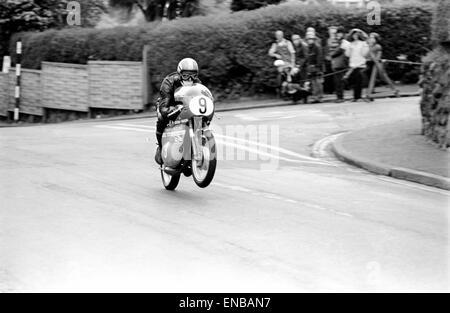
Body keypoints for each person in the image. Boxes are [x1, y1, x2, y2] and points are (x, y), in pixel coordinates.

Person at [154, 58, 201, 165]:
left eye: (193, 75)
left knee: (198, 118)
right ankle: (161, 148)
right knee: (162, 118)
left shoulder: (197, 83)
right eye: (186, 75)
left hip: (187, 106)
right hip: (169, 105)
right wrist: (171, 109)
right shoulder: (168, 82)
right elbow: (164, 107)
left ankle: (193, 147)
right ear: (180, 74)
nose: (190, 79)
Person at [365, 32, 399, 100]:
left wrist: (372, 56)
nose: (371, 39)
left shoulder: (378, 46)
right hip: (371, 64)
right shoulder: (369, 46)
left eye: (372, 38)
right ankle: (370, 94)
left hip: (377, 64)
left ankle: (395, 90)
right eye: (370, 37)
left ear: (376, 39)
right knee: (372, 79)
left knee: (383, 77)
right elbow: (366, 56)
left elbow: (377, 58)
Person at [344, 28, 370, 102]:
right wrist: (348, 48)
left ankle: (358, 96)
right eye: (353, 34)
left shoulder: (363, 43)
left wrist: (365, 45)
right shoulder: (351, 44)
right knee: (354, 81)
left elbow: (364, 54)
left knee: (359, 81)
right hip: (353, 65)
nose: (355, 36)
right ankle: (355, 97)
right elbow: (347, 54)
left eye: (356, 34)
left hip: (360, 64)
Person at [329, 26, 350, 102]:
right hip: (336, 64)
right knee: (337, 82)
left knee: (339, 82)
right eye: (338, 33)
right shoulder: (337, 41)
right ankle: (339, 97)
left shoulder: (344, 42)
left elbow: (338, 51)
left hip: (341, 64)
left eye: (340, 33)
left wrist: (331, 55)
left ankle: (340, 97)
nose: (339, 35)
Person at [305, 31, 324, 103]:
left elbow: (319, 57)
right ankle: (315, 97)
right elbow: (308, 58)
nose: (309, 40)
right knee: (313, 83)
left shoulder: (317, 47)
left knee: (318, 82)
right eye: (308, 39)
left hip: (317, 68)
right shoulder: (309, 47)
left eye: (311, 39)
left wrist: (317, 66)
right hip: (311, 68)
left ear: (313, 39)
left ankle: (320, 97)